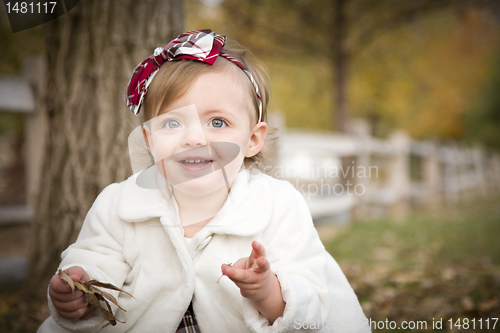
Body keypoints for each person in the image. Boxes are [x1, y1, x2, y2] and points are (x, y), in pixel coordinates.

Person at [38, 29, 371, 333]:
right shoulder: (120, 204)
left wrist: (268, 290)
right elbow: (96, 261)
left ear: (253, 140)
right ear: (149, 140)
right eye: (172, 124)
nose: (194, 138)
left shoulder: (276, 205)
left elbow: (310, 298)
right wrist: (80, 294)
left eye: (217, 121)